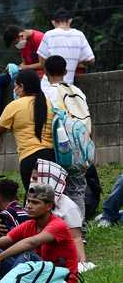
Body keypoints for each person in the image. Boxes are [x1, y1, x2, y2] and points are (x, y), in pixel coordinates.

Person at [0, 184, 79, 283]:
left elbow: (31, 243)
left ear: (49, 206)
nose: (29, 206)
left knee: (27, 256)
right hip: (37, 276)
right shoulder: (29, 224)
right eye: (28, 201)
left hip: (59, 281)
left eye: (35, 203)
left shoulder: (58, 225)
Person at [0, 69, 55, 192]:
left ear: (22, 86)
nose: (15, 90)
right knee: (50, 199)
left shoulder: (15, 105)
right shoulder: (48, 104)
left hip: (30, 158)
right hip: (51, 158)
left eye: (16, 87)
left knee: (33, 198)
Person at [42, 55, 89, 221]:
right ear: (65, 71)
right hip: (80, 149)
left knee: (53, 191)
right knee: (77, 191)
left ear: (45, 72)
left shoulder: (46, 93)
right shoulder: (77, 92)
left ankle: (59, 231)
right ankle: (79, 232)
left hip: (56, 149)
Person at [0, 26, 44, 132]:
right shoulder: (23, 43)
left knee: (16, 83)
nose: (16, 46)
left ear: (20, 36)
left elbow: (43, 64)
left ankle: (16, 118)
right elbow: (25, 62)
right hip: (26, 71)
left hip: (39, 74)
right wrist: (15, 68)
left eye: (15, 43)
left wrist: (24, 68)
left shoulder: (39, 38)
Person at [29, 159, 91, 268]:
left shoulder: (68, 207)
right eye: (32, 178)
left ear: (48, 179)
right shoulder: (31, 202)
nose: (31, 182)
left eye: (35, 178)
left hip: (57, 261)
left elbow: (76, 238)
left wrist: (81, 262)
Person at [38, 8, 95, 86]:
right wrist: (77, 61)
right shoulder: (79, 35)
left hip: (48, 84)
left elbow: (42, 60)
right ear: (70, 20)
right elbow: (91, 60)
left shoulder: (49, 35)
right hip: (68, 85)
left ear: (53, 22)